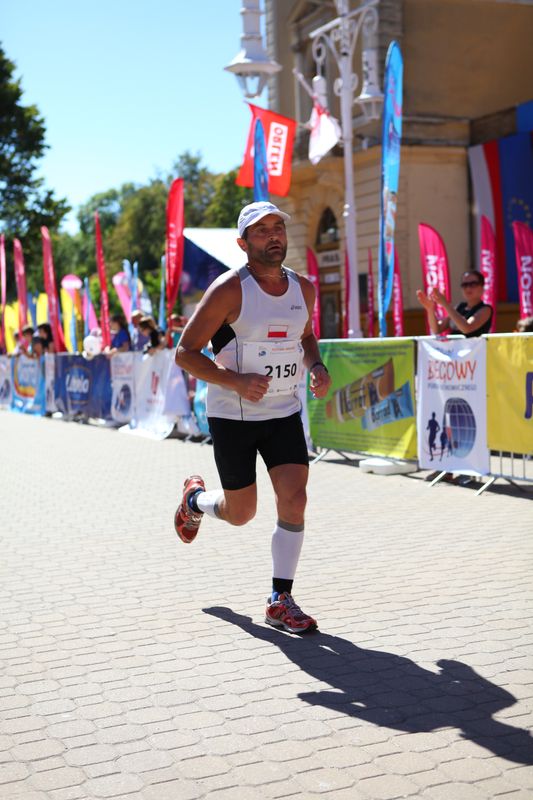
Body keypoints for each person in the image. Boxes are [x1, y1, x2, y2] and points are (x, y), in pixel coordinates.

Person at [174, 200, 331, 634]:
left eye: (278, 227)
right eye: (261, 230)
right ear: (243, 244)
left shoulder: (303, 289)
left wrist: (316, 365)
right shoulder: (229, 290)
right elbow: (185, 353)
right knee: (241, 513)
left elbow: (306, 336)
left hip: (283, 411)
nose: (273, 235)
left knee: (295, 499)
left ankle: (280, 599)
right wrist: (237, 381)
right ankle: (195, 501)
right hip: (233, 416)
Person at [416, 270, 493, 337]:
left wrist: (445, 304)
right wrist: (430, 309)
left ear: (482, 287)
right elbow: (437, 329)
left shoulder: (485, 309)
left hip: (473, 349)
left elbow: (467, 328)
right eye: (465, 285)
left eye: (473, 284)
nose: (468, 288)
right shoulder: (460, 307)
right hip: (453, 349)